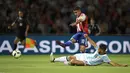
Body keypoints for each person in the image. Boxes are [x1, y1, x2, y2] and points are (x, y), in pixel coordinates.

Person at [50, 34, 128, 67]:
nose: (99, 50)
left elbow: (112, 63)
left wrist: (121, 65)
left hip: (87, 62)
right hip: (85, 56)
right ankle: (54, 60)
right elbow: (93, 43)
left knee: (73, 61)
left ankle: (68, 63)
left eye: (101, 49)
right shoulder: (99, 49)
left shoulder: (104, 56)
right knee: (70, 56)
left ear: (103, 50)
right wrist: (87, 37)